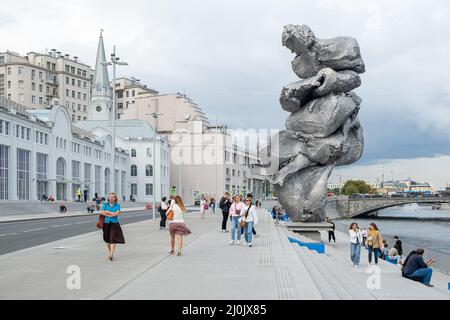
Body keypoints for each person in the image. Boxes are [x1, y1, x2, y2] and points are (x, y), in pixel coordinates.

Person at [100, 192, 125, 261]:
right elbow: (102, 212)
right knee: (107, 240)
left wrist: (107, 212)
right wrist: (110, 214)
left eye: (112, 197)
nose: (111, 198)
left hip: (114, 224)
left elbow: (116, 214)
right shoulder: (105, 204)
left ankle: (111, 255)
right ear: (108, 198)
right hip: (106, 223)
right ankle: (111, 253)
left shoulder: (117, 205)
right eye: (110, 197)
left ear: (115, 198)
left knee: (112, 239)